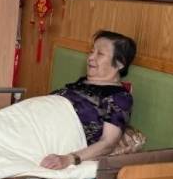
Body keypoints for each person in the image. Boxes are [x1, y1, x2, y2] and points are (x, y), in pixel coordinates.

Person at [41, 30, 136, 170]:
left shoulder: (119, 97)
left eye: (100, 54)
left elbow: (108, 143)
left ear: (119, 63)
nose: (90, 57)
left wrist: (69, 159)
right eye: (91, 52)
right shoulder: (83, 82)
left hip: (51, 140)